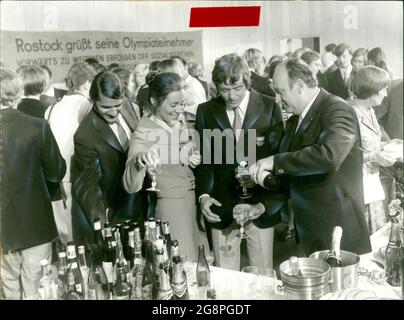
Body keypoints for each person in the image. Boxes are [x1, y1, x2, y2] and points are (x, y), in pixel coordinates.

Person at [249, 58, 372, 256]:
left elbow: (329, 155)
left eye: (281, 92)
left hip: (337, 229)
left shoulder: (336, 109)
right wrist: (262, 206)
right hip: (309, 231)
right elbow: (293, 173)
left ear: (299, 86)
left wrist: (274, 161)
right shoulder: (296, 118)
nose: (279, 100)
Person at [195, 54, 286, 271]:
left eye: (236, 88)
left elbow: (278, 158)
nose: (231, 96)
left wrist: (268, 202)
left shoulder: (269, 106)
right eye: (224, 90)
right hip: (221, 206)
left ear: (247, 81)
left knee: (262, 275)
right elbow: (205, 162)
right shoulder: (206, 111)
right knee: (225, 278)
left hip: (259, 206)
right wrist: (204, 197)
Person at [123, 72, 205, 261]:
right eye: (173, 105)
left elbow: (181, 154)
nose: (179, 110)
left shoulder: (180, 121)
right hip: (171, 208)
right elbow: (129, 185)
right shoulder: (144, 131)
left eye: (182, 104)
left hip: (193, 203)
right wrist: (139, 160)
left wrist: (192, 155)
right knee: (183, 262)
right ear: (154, 101)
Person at [0, 68, 66, 299]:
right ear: (18, 92)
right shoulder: (37, 126)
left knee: (8, 287)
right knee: (38, 288)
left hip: (3, 230)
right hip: (36, 223)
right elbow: (56, 172)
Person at [72, 71, 144, 244]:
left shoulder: (128, 106)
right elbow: (88, 188)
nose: (113, 113)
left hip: (142, 206)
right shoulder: (85, 134)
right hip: (116, 216)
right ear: (92, 101)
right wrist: (104, 229)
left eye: (117, 105)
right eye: (106, 107)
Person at [44, 62, 97, 245]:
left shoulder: (51, 109)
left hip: (58, 178)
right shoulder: (87, 108)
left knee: (67, 237)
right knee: (88, 235)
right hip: (83, 176)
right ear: (88, 83)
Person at [349, 66, 398, 234]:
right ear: (371, 90)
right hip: (356, 184)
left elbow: (370, 143)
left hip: (371, 182)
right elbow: (345, 154)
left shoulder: (369, 110)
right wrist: (374, 156)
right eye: (383, 89)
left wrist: (389, 145)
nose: (385, 94)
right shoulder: (350, 113)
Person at [169, 56, 207, 123]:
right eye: (172, 67)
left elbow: (202, 111)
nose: (175, 70)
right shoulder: (177, 84)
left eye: (178, 67)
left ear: (185, 67)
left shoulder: (194, 85)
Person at [111, 67, 141, 132]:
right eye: (132, 81)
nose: (134, 84)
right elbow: (135, 128)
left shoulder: (130, 102)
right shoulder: (124, 102)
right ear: (124, 83)